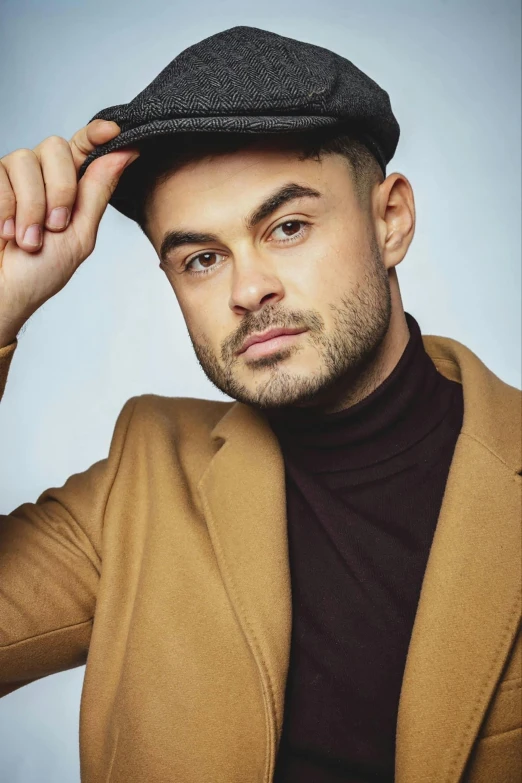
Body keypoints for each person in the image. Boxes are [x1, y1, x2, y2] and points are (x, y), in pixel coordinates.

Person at [0, 25, 520, 783]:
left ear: (391, 220)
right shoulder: (142, 478)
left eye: (288, 226)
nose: (248, 291)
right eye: (202, 258)